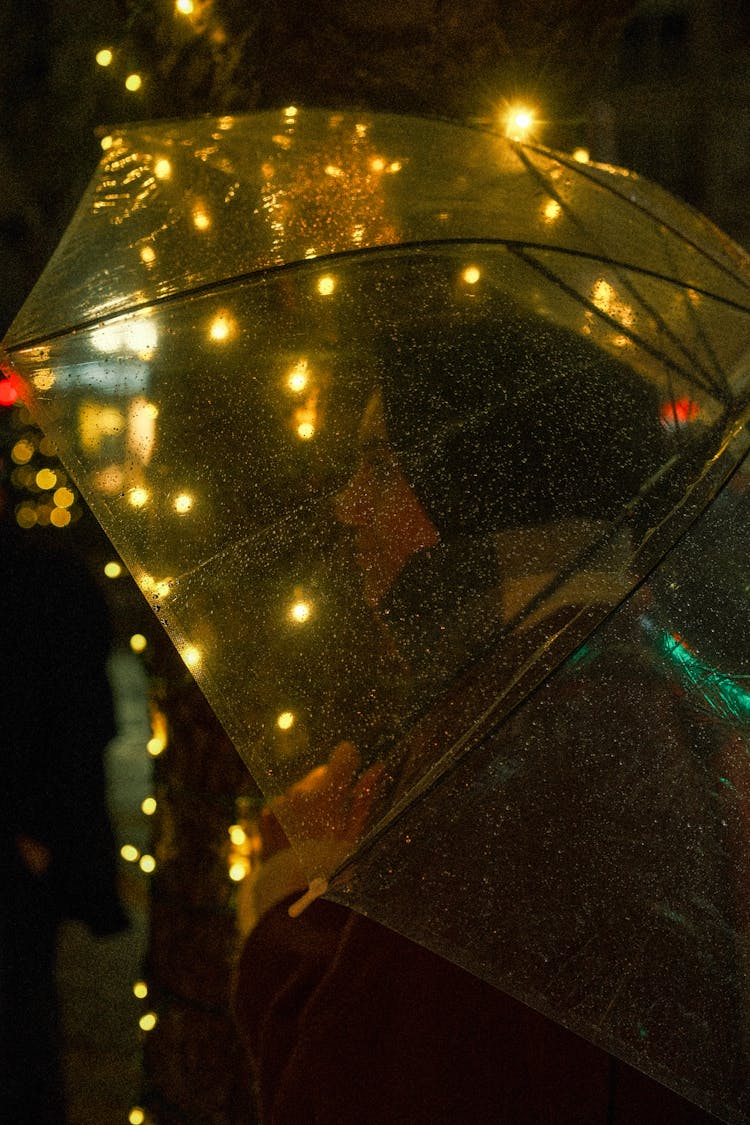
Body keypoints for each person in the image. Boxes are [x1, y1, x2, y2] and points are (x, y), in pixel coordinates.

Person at [232, 308, 735, 1123]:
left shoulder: (523, 760)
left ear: (479, 483)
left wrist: (294, 899)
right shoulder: (600, 685)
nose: (348, 509)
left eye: (382, 468)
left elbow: (366, 1089)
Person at [0, 450, 128, 1124]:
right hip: (30, 850)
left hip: (22, 851)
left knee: (20, 1031)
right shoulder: (51, 576)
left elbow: (81, 718)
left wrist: (36, 831)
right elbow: (92, 716)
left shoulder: (41, 582)